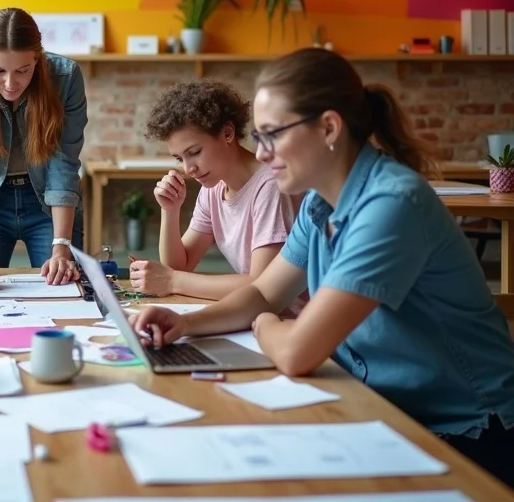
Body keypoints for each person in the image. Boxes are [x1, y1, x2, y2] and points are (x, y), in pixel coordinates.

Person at [130, 48, 514, 488]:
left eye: (273, 135)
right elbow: (262, 293)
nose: (262, 153)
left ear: (329, 128)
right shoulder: (319, 201)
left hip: (465, 430)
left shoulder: (390, 204)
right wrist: (183, 323)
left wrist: (267, 325)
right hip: (384, 407)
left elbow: (293, 349)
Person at [130, 80, 306, 315]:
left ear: (227, 132)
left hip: (294, 323)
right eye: (179, 158)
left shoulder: (270, 185)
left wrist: (172, 280)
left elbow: (262, 285)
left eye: (194, 153)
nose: (188, 168)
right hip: (256, 316)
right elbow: (179, 266)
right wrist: (170, 210)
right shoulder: (213, 189)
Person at [0, 7, 87, 291]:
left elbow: (63, 164)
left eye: (23, 70)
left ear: (38, 57)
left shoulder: (66, 78)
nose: (11, 84)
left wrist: (60, 250)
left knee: (64, 287)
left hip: (47, 204)